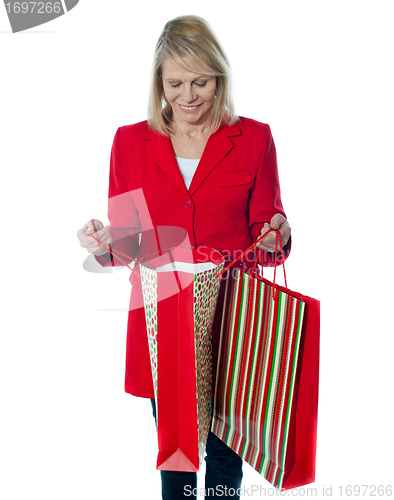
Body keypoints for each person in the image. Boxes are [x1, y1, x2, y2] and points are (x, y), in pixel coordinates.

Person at [77, 15, 291, 500]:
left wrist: (276, 233)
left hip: (233, 319)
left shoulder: (254, 139)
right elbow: (127, 241)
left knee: (224, 453)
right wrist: (103, 241)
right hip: (164, 322)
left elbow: (267, 231)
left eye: (202, 82)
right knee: (177, 453)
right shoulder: (129, 142)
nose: (189, 95)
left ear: (220, 78)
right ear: (159, 84)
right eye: (175, 83)